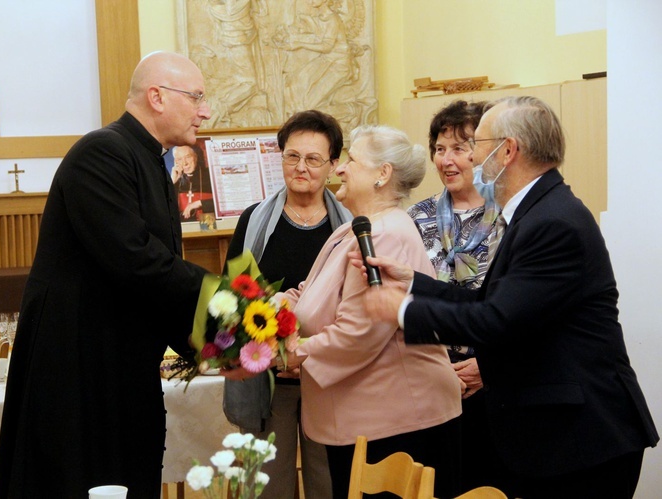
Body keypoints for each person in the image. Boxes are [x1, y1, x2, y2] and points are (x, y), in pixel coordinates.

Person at [360, 96, 659, 499]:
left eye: (477, 145)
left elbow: (497, 321)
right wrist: (415, 282)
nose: (470, 158)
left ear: (508, 150)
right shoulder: (537, 211)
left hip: (584, 438)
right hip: (560, 434)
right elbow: (491, 302)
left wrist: (402, 312)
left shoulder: (552, 221)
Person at [0, 51, 212, 498]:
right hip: (79, 371)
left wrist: (214, 346)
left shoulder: (151, 159)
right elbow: (138, 260)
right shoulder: (103, 152)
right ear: (157, 97)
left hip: (120, 365)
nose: (204, 110)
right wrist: (228, 301)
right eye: (196, 97)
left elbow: (156, 279)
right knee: (79, 483)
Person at [271, 125, 463, 498]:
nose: (339, 168)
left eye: (352, 160)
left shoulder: (385, 233)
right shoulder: (354, 229)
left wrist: (295, 353)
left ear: (382, 174)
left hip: (398, 423)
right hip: (366, 420)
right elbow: (309, 291)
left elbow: (359, 333)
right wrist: (278, 307)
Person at [222, 109, 351, 499]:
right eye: (291, 156)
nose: (301, 167)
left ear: (332, 164)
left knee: (328, 483)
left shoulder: (348, 224)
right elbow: (233, 295)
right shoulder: (254, 221)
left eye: (313, 159)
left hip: (328, 377)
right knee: (267, 485)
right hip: (268, 378)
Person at [406, 99, 501, 490]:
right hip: (430, 382)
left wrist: (489, 365)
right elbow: (407, 295)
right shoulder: (415, 217)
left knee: (487, 485)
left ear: (483, 153)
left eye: (460, 148)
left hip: (492, 383)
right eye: (440, 149)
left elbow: (520, 307)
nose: (448, 160)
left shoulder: (510, 218)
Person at [171, 144, 214, 220]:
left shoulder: (210, 174)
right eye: (179, 159)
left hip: (207, 220)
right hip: (183, 225)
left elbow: (224, 203)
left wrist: (199, 203)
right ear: (175, 162)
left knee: (207, 230)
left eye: (188, 157)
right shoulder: (173, 179)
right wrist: (172, 183)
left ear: (195, 157)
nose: (185, 163)